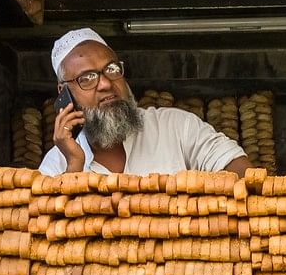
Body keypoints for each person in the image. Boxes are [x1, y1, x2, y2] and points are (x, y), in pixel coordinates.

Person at [39, 28, 252, 177]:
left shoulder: (176, 126)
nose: (105, 83)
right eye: (87, 78)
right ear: (64, 92)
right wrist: (74, 166)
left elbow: (241, 170)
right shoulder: (56, 164)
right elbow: (49, 234)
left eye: (111, 69)